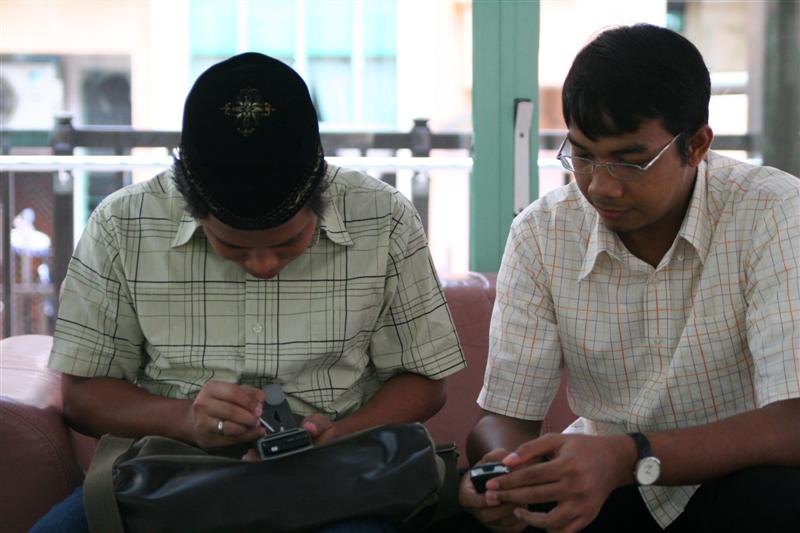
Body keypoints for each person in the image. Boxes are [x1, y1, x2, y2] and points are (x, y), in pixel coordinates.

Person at [33, 52, 465, 532]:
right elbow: (83, 394)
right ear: (191, 206)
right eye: (233, 248)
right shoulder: (122, 225)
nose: (263, 265)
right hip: (174, 474)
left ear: (320, 192)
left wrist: (339, 433)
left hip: (341, 477)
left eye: (287, 244)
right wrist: (187, 421)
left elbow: (426, 380)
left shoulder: (383, 218)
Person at [460, 23, 800, 533]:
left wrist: (627, 456)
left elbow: (792, 426)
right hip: (608, 485)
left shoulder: (773, 211)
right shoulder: (541, 233)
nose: (600, 186)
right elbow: (505, 414)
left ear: (698, 145)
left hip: (737, 476)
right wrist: (507, 472)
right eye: (581, 153)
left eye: (631, 162)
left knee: (780, 497)